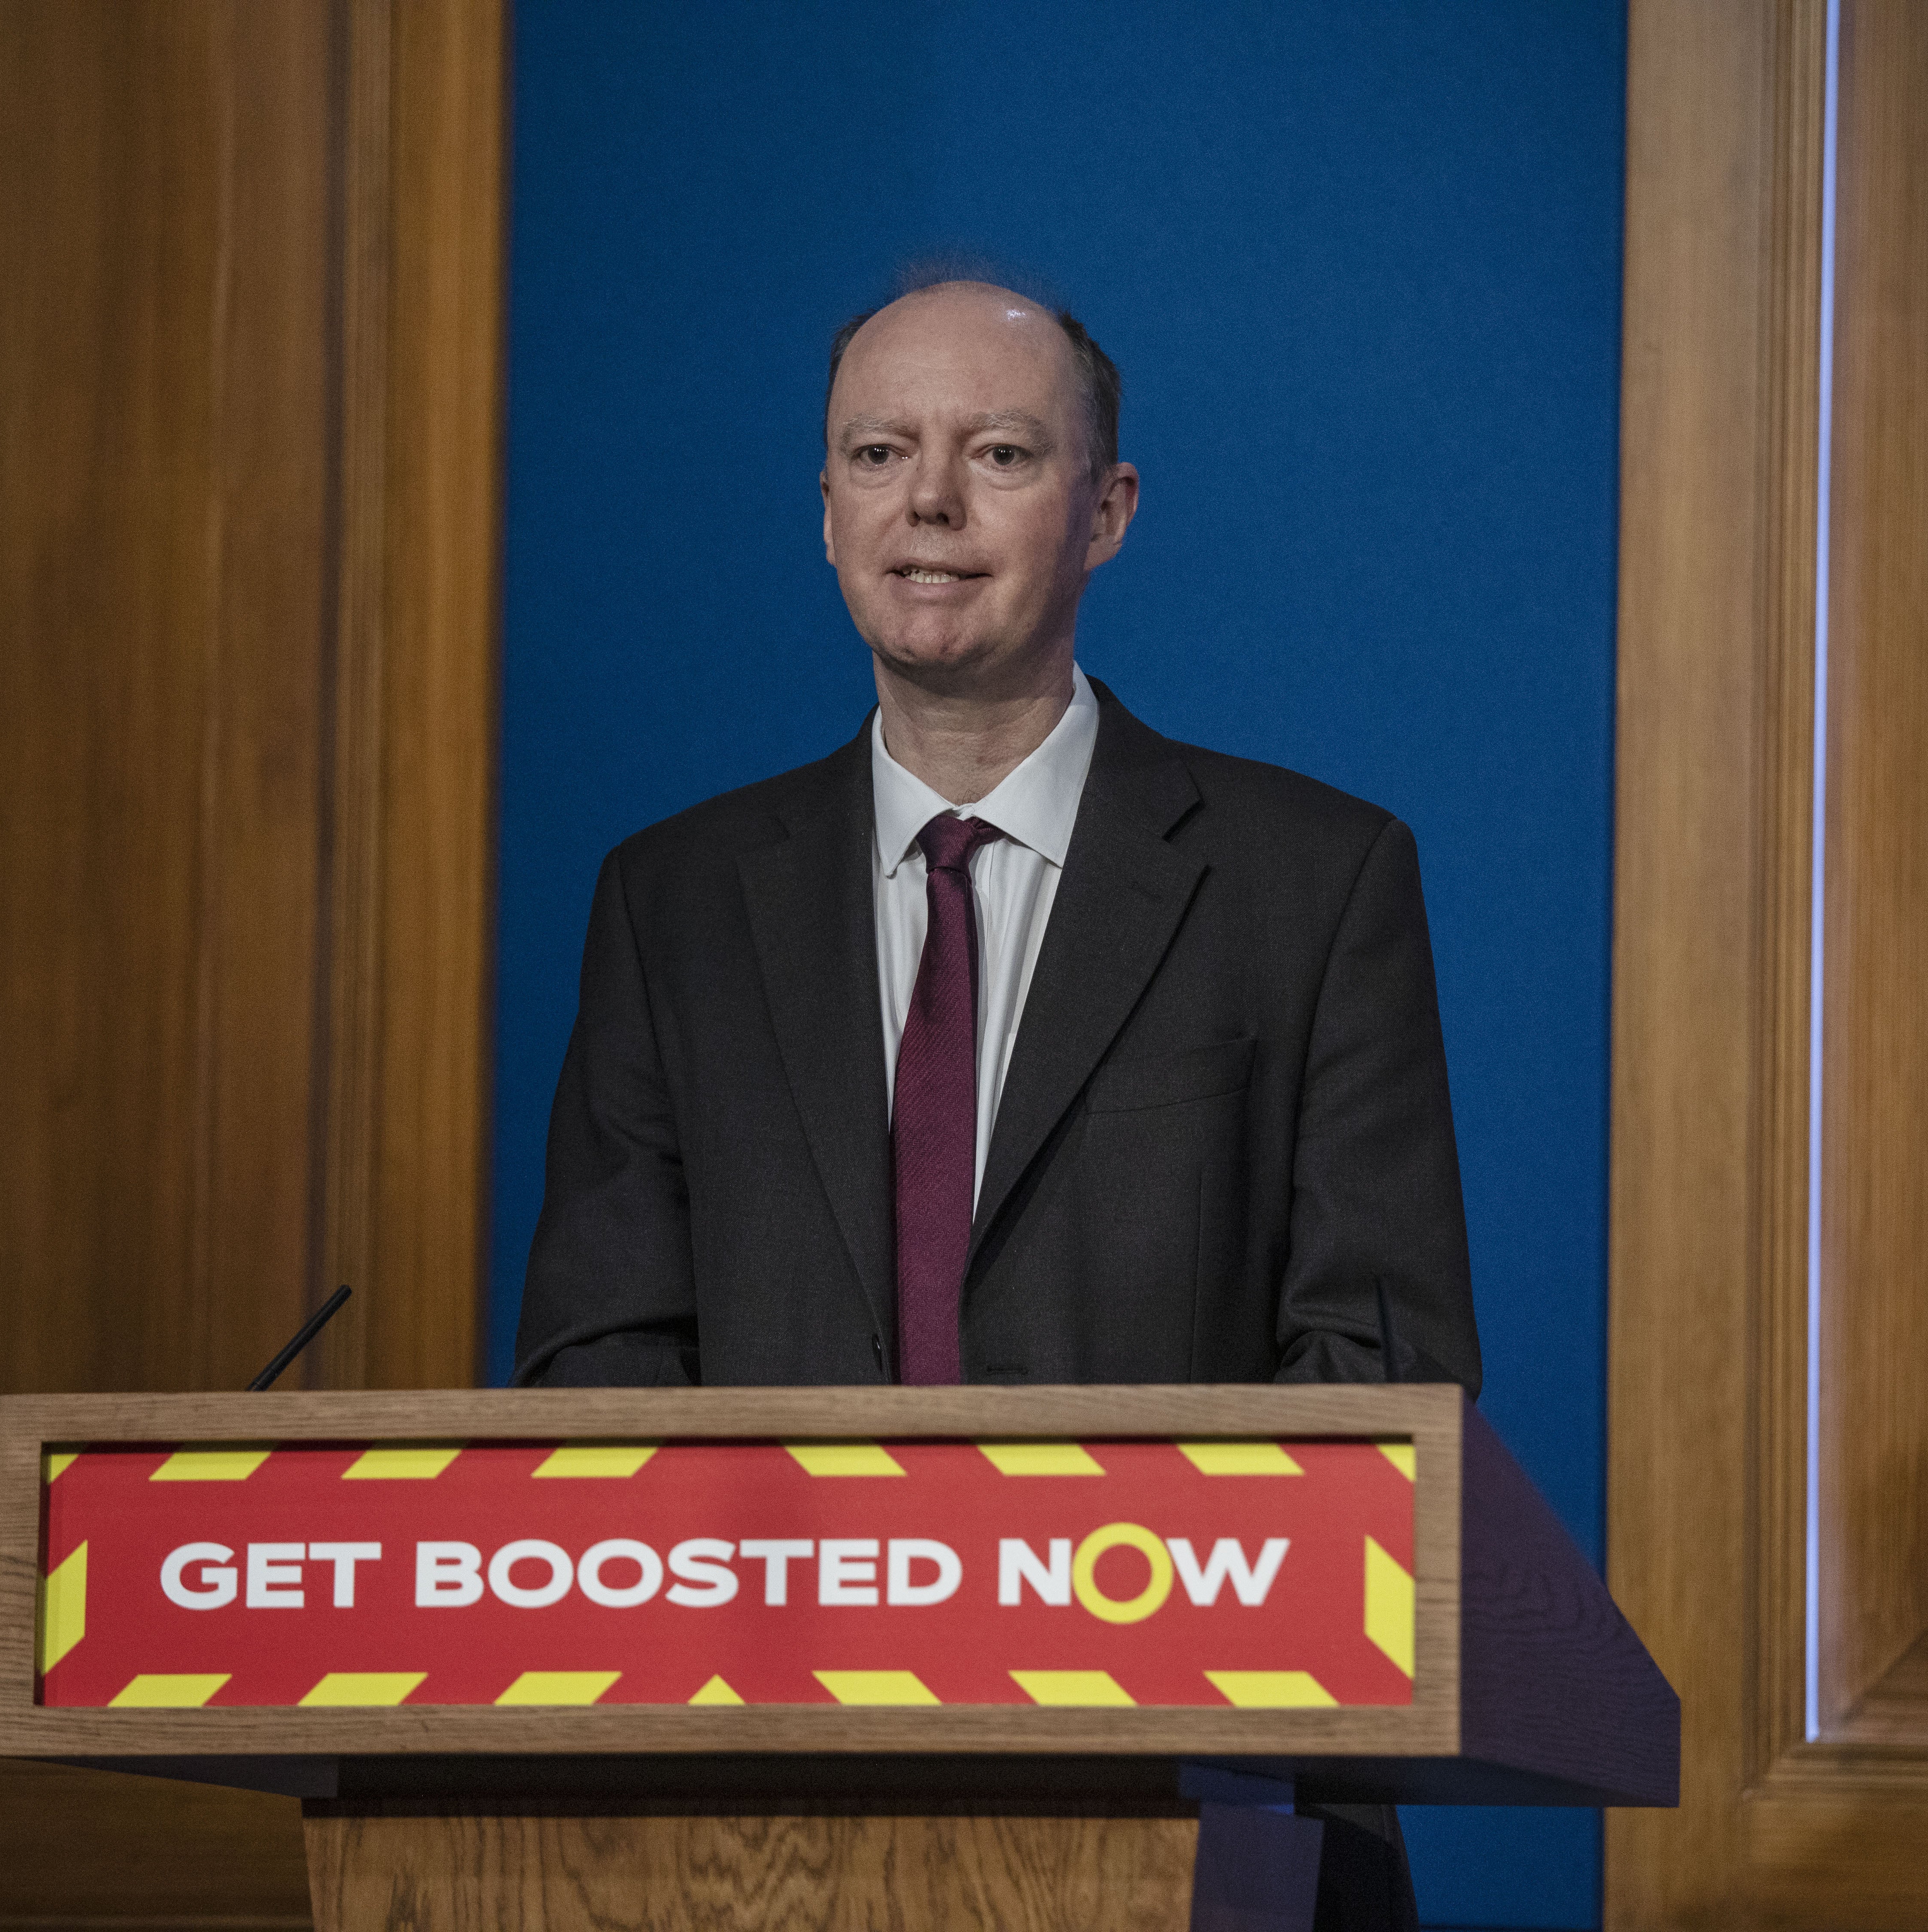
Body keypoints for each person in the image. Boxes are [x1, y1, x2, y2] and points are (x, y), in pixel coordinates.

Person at [515, 274, 1478, 1929]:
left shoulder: (1312, 883)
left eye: (1002, 453)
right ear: (825, 514)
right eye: (881, 453)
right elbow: (599, 1375)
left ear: (1106, 511)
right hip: (748, 1827)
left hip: (1198, 1805)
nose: (931, 504)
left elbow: (1380, 1385)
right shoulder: (671, 903)